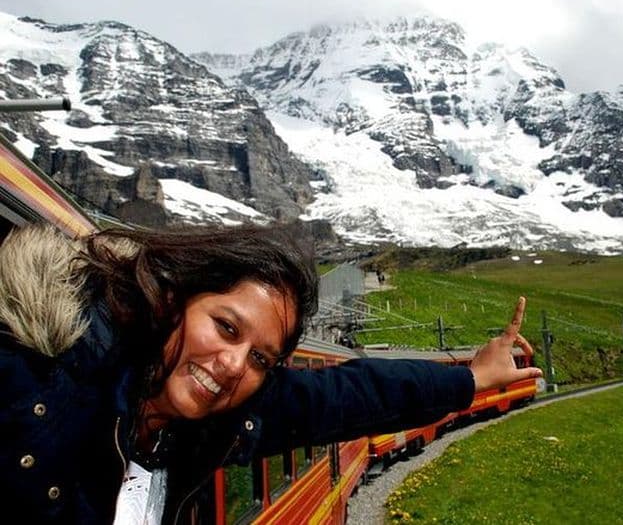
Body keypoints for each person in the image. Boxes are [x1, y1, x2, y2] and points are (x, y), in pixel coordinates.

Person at [0, 222, 541, 524]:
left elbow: (348, 393)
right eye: (226, 327)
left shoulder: (201, 423)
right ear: (171, 299)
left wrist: (472, 378)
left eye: (261, 358)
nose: (234, 364)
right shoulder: (29, 380)